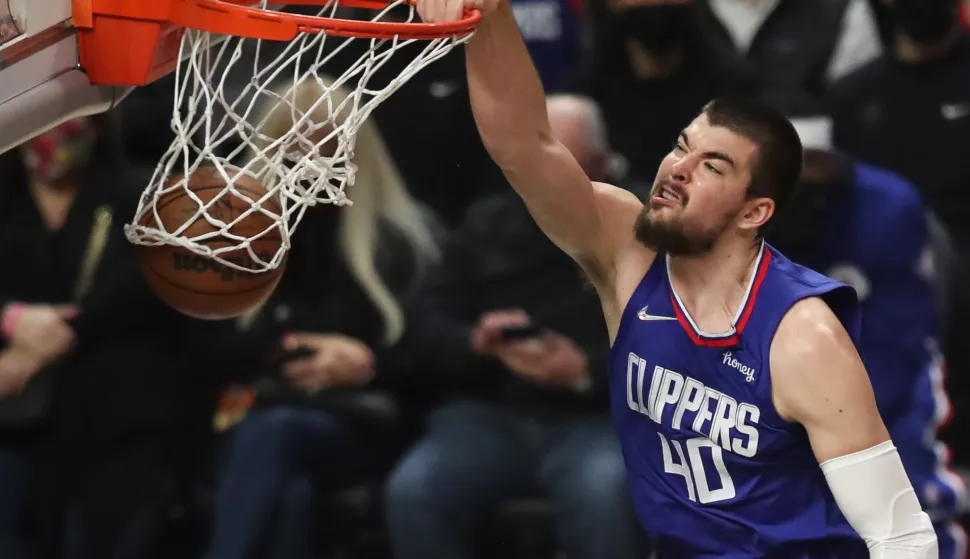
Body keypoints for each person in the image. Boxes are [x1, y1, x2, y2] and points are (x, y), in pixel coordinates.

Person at [415, 0, 938, 556]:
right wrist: (491, 18)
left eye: (711, 166)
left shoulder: (802, 337)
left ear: (754, 212)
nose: (678, 170)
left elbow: (902, 534)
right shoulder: (625, 251)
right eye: (682, 147)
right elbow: (524, 147)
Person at [384, 94, 644, 559]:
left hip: (599, 419)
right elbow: (425, 319)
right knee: (415, 488)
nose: (549, 183)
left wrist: (584, 371)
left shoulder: (640, 230)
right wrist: (475, 342)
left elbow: (677, 344)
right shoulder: (488, 223)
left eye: (568, 167)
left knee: (605, 492)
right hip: (493, 414)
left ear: (602, 165)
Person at [203, 76, 441, 559]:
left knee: (276, 435)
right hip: (260, 416)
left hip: (359, 421)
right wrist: (284, 350)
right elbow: (207, 349)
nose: (311, 162)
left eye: (327, 145)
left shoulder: (398, 243)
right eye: (294, 146)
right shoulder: (239, 239)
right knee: (291, 497)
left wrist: (365, 363)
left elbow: (431, 353)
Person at [766, 108, 967, 559]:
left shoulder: (887, 206)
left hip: (884, 388)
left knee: (905, 506)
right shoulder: (731, 213)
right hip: (770, 400)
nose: (803, 185)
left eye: (814, 168)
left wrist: (835, 426)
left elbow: (901, 344)